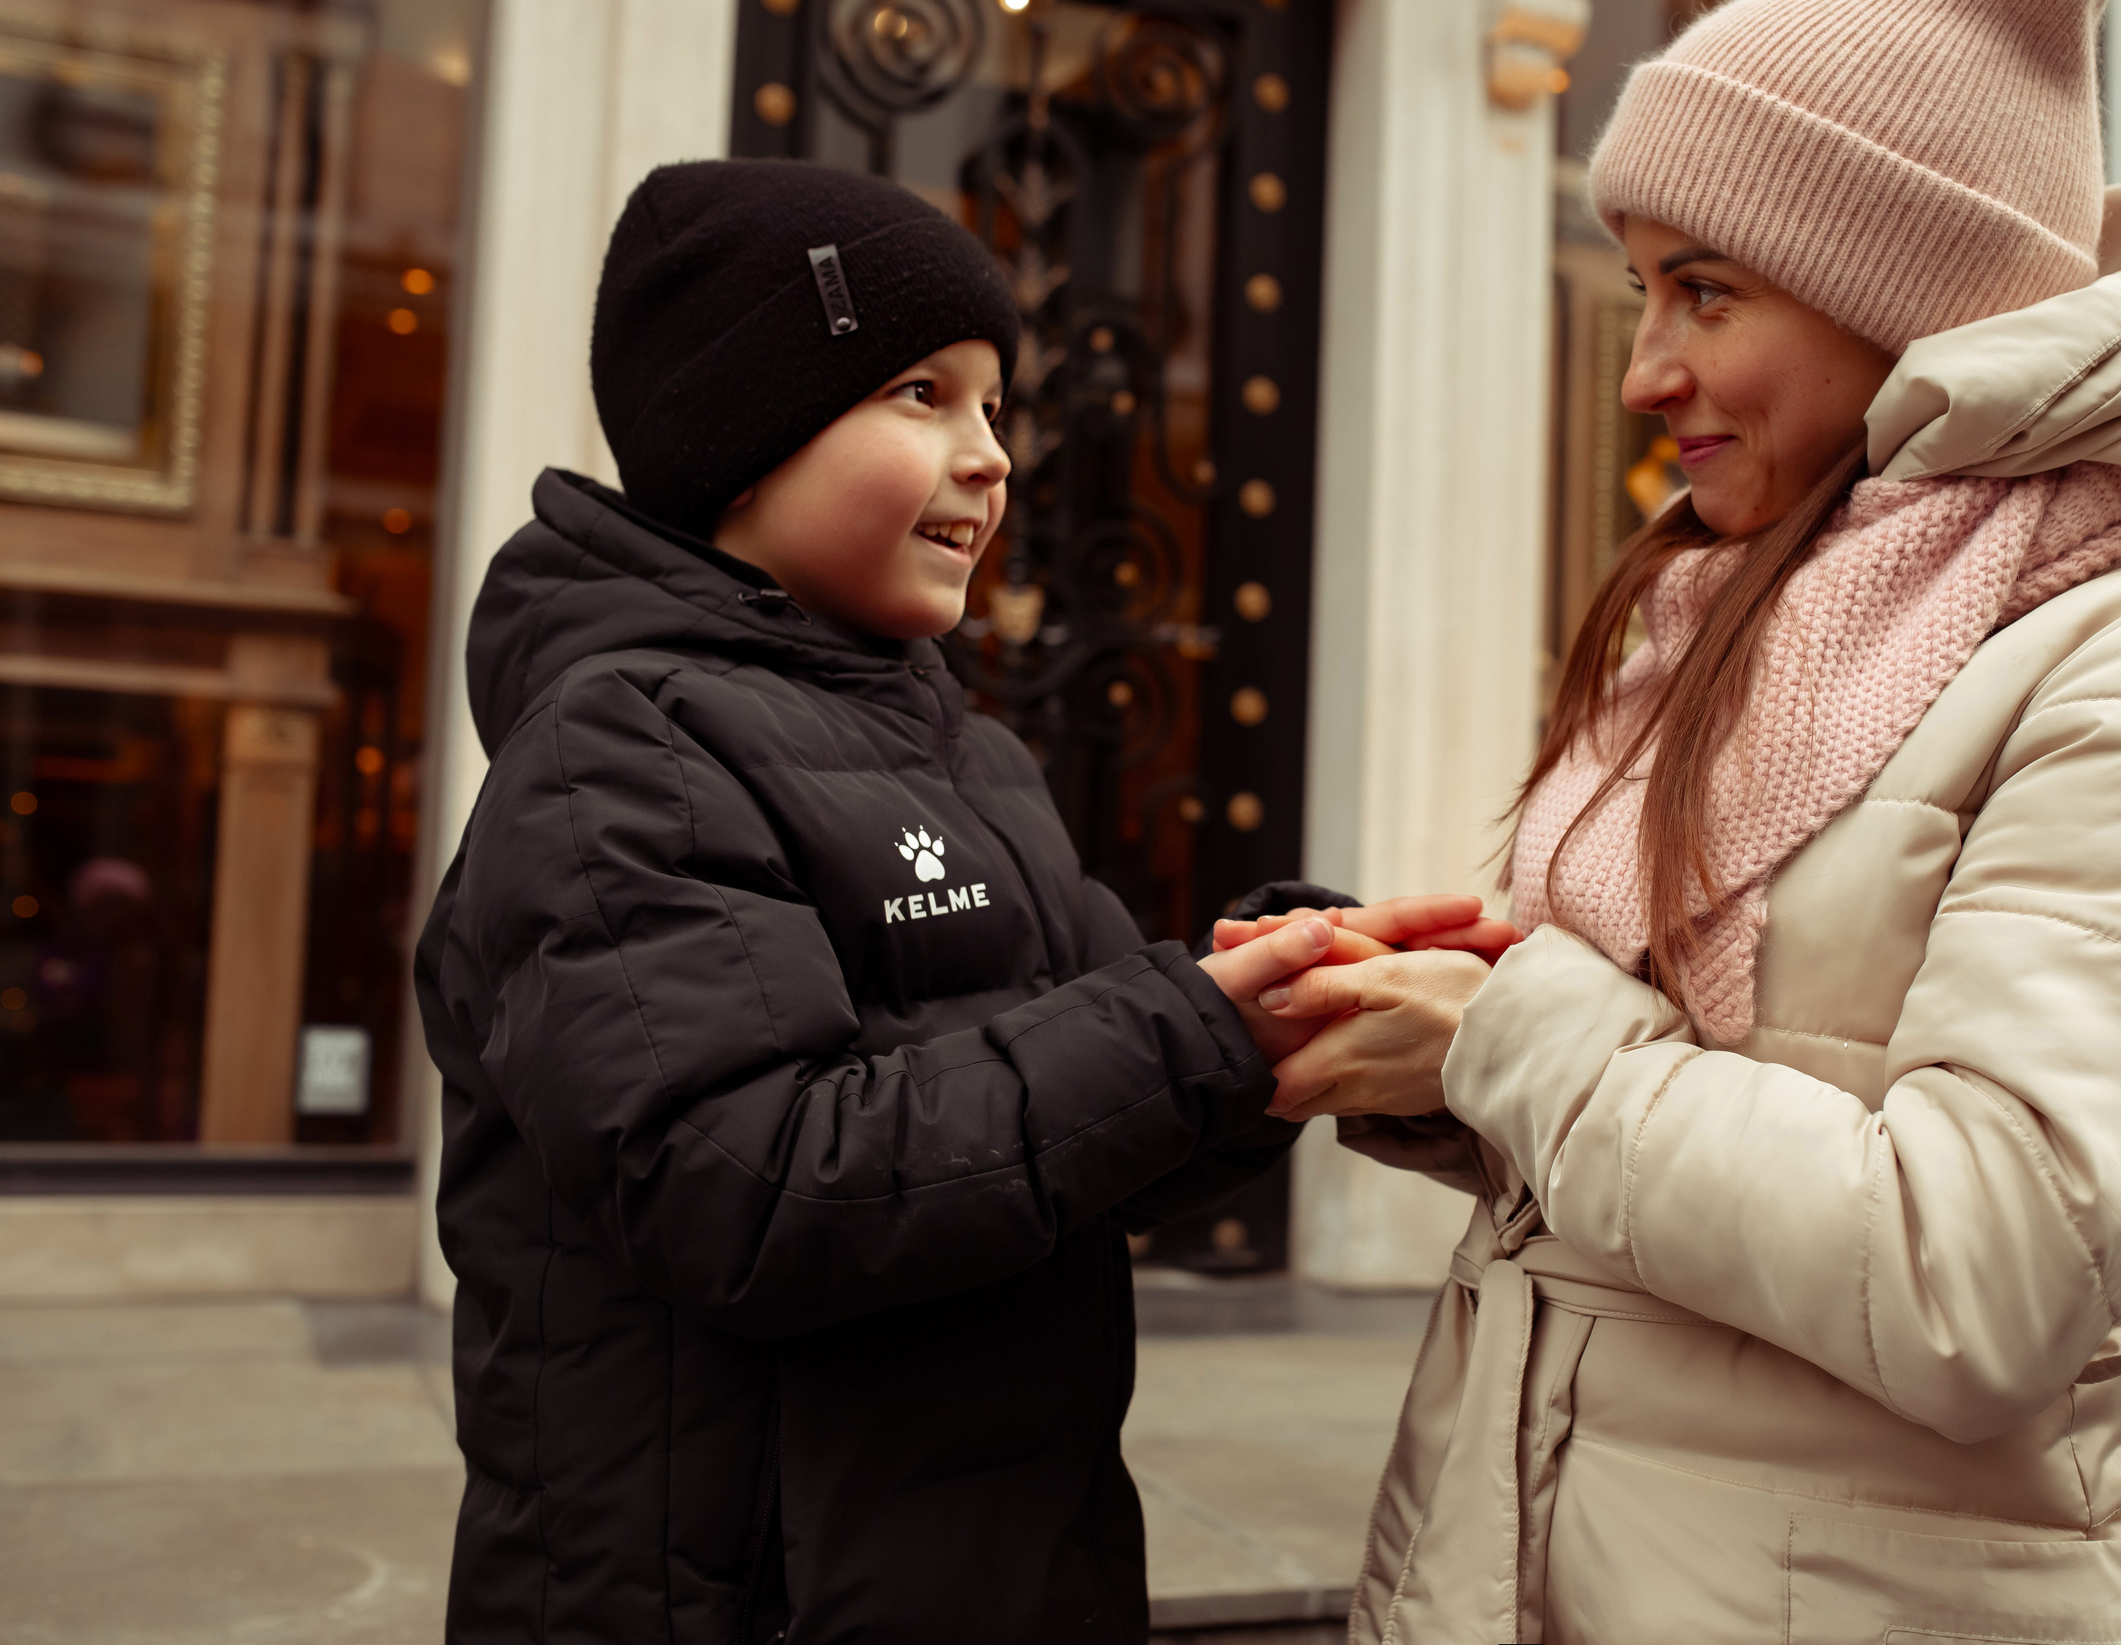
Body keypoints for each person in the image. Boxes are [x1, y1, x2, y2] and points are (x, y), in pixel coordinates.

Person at [1239, 0, 2121, 1638]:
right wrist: (1435, 1059)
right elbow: (1684, 1144)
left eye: (1706, 291)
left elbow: (1981, 1272)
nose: (1643, 374)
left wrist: (1507, 1033)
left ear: (1903, 287)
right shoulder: (1738, 613)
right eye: (1638, 296)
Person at [413, 160, 1510, 1645]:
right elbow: (745, 1186)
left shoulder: (965, 749)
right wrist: (1178, 1028)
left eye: (998, 406)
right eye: (922, 395)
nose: (993, 456)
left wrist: (1279, 998)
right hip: (735, 1595)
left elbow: (1091, 1135)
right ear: (742, 441)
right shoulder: (622, 751)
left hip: (1003, 1566)